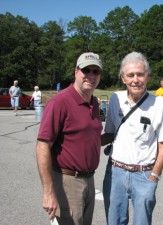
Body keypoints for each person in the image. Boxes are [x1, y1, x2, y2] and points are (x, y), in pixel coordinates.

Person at [101, 52, 163, 225]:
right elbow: (109, 134)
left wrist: (154, 175)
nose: (135, 79)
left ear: (147, 76)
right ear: (123, 78)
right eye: (130, 75)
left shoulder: (160, 104)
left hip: (144, 174)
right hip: (116, 173)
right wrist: (83, 141)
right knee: (114, 221)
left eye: (140, 74)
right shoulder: (115, 99)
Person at [36, 52, 103, 225]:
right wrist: (48, 192)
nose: (91, 75)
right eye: (86, 70)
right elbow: (42, 146)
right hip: (67, 182)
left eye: (96, 71)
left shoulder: (94, 103)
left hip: (89, 180)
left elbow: (89, 138)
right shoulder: (60, 102)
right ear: (76, 72)